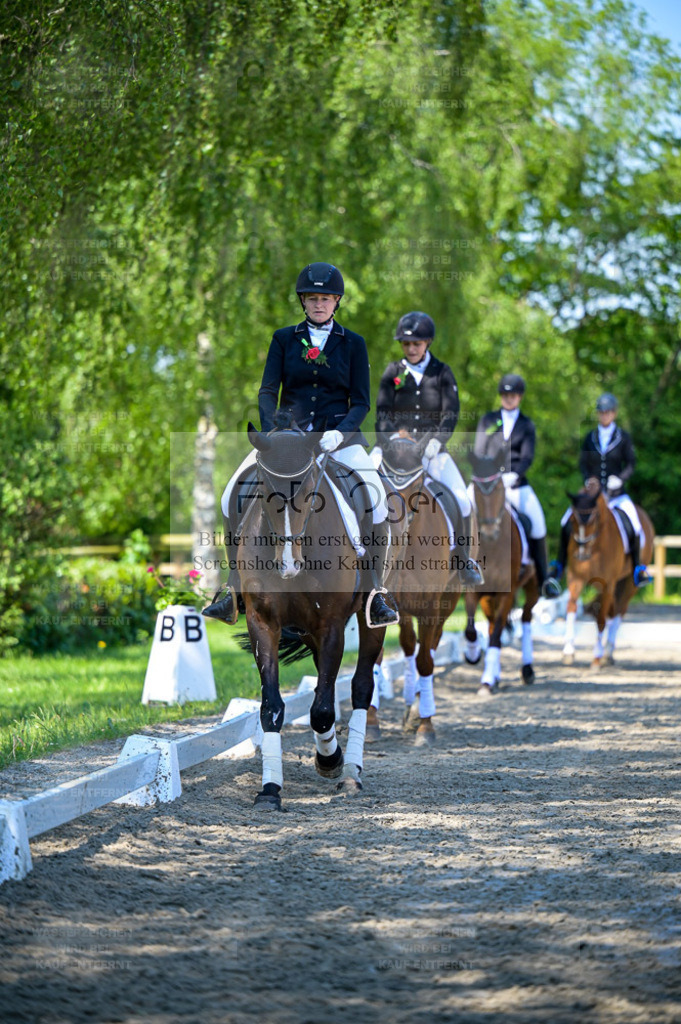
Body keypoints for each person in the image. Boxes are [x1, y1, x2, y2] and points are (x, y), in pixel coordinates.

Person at [203, 261, 400, 627]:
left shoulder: (353, 343)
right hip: (286, 443)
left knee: (375, 497)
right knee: (231, 490)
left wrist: (339, 432)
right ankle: (232, 588)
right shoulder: (283, 339)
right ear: (303, 302)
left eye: (326, 298)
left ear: (336, 301)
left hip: (339, 440)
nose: (319, 304)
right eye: (312, 298)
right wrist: (273, 436)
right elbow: (267, 390)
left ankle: (375, 593)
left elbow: (361, 402)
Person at [374, 311, 484, 587]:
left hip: (432, 451)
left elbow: (450, 414)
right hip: (393, 451)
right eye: (407, 344)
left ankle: (463, 561)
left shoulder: (442, 373)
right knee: (360, 487)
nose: (411, 349)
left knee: (460, 498)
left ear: (428, 343)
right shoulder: (393, 372)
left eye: (417, 344)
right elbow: (382, 414)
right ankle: (363, 556)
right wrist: (390, 440)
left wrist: (436, 441)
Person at [548, 392, 651, 587]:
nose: (604, 415)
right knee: (565, 521)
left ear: (614, 413)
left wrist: (619, 480)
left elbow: (631, 464)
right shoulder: (589, 437)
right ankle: (558, 566)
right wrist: (588, 480)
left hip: (616, 495)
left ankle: (638, 569)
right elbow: (584, 463)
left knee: (635, 524)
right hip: (592, 496)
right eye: (601, 412)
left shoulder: (623, 437)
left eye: (608, 412)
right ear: (598, 414)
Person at [473, 373, 561, 599]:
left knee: (538, 523)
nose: (508, 399)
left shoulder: (526, 424)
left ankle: (544, 580)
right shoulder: (488, 420)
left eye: (512, 395)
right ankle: (457, 566)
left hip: (516, 485)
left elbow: (527, 456)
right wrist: (488, 476)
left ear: (519, 397)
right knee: (463, 509)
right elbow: (479, 451)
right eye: (505, 395)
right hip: (488, 484)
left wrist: (514, 474)